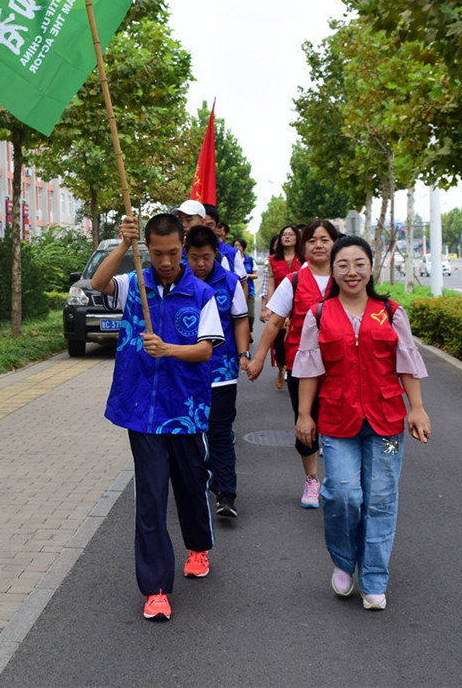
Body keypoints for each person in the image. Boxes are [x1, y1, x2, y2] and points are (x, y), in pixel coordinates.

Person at [90, 211, 223, 622]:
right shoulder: (134, 285)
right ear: (148, 248)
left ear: (182, 247)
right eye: (157, 253)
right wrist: (123, 245)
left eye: (172, 252)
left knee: (189, 484)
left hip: (184, 410)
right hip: (142, 412)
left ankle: (198, 546)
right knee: (150, 497)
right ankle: (156, 589)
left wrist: (167, 349)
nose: (165, 261)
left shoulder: (201, 294)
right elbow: (97, 284)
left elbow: (205, 350)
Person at [293, 235, 431, 611]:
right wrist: (305, 414)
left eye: (359, 264)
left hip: (387, 423)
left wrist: (416, 408)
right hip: (338, 422)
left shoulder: (391, 312)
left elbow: (406, 363)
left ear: (371, 267)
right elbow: (308, 368)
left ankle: (373, 578)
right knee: (343, 494)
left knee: (382, 498)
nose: (351, 272)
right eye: (343, 265)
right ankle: (342, 560)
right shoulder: (319, 314)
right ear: (332, 271)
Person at [246, 220, 337, 508]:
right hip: (302, 365)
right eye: (312, 240)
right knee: (305, 422)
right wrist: (259, 358)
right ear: (303, 246)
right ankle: (312, 480)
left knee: (336, 423)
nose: (318, 245)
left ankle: (337, 479)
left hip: (340, 365)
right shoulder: (295, 280)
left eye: (324, 239)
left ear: (336, 244)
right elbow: (274, 322)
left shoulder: (346, 276)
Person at [185, 225, 251, 519]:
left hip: (222, 372)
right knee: (191, 434)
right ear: (186, 254)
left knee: (220, 433)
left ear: (216, 254)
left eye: (207, 257)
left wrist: (243, 354)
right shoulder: (177, 282)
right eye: (195, 257)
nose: (200, 264)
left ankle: (226, 493)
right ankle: (197, 485)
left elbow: (239, 320)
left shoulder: (230, 282)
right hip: (184, 373)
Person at [261, 224, 304, 390]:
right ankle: (281, 368)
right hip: (280, 305)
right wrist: (269, 307)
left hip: (299, 305)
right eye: (284, 234)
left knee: (297, 341)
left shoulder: (304, 259)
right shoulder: (273, 260)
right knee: (279, 344)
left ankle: (294, 370)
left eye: (291, 234)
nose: (287, 237)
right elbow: (271, 283)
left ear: (297, 238)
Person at [203, 204, 247, 280]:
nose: (204, 229)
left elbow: (243, 284)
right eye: (201, 224)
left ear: (217, 226)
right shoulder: (184, 252)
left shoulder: (233, 253)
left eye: (209, 225)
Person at [234, 237, 258, 329]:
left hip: (249, 291)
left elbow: (256, 275)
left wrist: (246, 276)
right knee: (239, 314)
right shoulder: (231, 260)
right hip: (236, 292)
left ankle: (248, 330)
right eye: (235, 246)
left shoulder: (250, 260)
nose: (237, 248)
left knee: (250, 315)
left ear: (243, 247)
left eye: (239, 246)